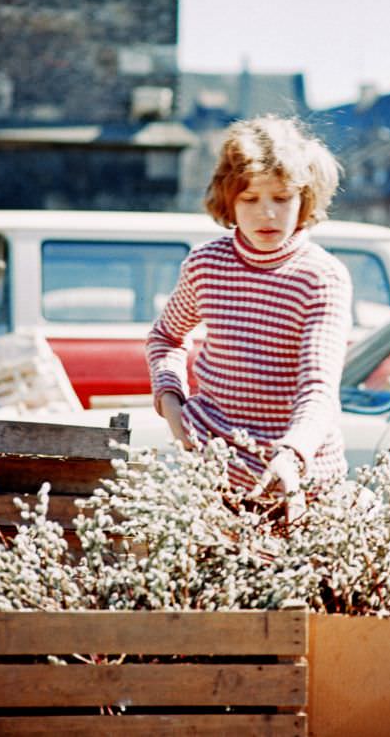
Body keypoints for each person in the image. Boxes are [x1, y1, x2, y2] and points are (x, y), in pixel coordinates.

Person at [146, 116, 352, 518]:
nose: (267, 214)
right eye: (250, 199)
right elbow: (166, 338)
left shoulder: (322, 277)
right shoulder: (206, 264)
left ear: (304, 199)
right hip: (212, 480)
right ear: (229, 200)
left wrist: (292, 456)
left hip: (300, 483)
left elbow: (319, 387)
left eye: (281, 197)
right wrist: (172, 406)